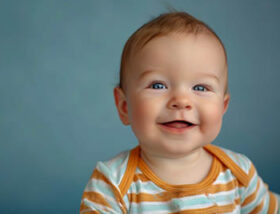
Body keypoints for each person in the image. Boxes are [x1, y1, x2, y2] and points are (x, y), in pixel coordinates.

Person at [80, 11, 280, 213]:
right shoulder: (112, 183)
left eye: (201, 88)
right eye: (157, 85)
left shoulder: (238, 174)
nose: (181, 101)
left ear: (222, 107)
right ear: (124, 107)